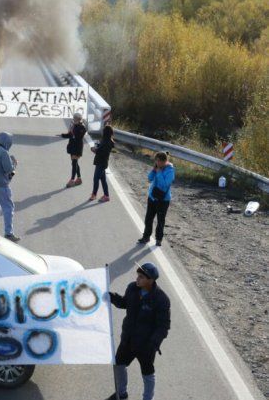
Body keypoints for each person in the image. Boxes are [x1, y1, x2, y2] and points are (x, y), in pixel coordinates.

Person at [106, 262, 171, 400]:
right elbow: (124, 303)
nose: (137, 279)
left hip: (146, 346)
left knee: (147, 374)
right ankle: (121, 394)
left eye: (141, 277)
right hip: (127, 340)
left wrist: (153, 345)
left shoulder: (161, 299)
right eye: (138, 275)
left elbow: (163, 327)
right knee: (118, 365)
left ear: (151, 280)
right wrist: (111, 296)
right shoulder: (132, 288)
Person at [138, 152, 175, 246]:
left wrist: (159, 173)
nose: (157, 162)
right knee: (148, 219)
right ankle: (146, 237)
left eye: (158, 161)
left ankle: (159, 239)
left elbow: (165, 184)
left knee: (160, 220)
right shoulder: (157, 168)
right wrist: (154, 171)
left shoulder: (170, 171)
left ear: (164, 161)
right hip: (152, 197)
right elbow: (150, 179)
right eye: (156, 160)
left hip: (163, 200)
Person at [58, 112, 87, 187]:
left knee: (74, 163)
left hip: (77, 147)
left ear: (78, 119)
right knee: (75, 163)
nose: (73, 119)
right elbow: (70, 135)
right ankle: (79, 178)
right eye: (73, 118)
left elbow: (77, 136)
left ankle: (72, 180)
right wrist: (62, 135)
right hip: (72, 146)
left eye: (74, 118)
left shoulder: (82, 127)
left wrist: (73, 128)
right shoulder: (74, 125)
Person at [89, 125, 115, 202]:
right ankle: (106, 196)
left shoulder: (107, 142)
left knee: (96, 179)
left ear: (105, 133)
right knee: (103, 180)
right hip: (102, 162)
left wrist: (94, 149)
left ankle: (94, 195)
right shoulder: (107, 141)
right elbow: (101, 148)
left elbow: (101, 152)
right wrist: (97, 147)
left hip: (101, 163)